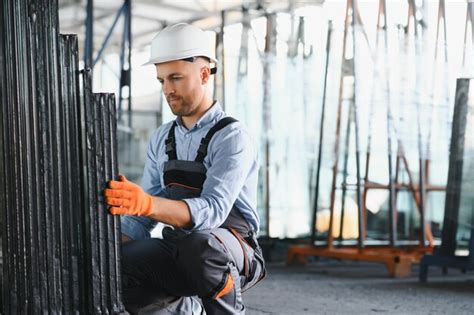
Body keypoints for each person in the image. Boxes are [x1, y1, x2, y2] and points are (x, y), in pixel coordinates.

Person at [104, 23, 266, 314]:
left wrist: (148, 204)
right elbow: (140, 222)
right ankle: (186, 310)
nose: (168, 89)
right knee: (120, 260)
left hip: (232, 250)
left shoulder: (231, 136)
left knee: (201, 247)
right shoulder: (162, 138)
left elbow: (213, 211)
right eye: (162, 80)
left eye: (176, 78)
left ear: (204, 74)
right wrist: (106, 249)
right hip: (181, 247)